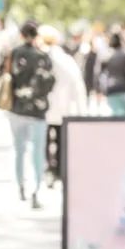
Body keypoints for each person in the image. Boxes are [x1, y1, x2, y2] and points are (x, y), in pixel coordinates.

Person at [0, 20, 56, 209]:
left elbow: (4, 76)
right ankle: (35, 190)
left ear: (22, 34)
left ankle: (20, 186)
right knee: (37, 151)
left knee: (19, 149)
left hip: (16, 108)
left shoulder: (14, 53)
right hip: (37, 110)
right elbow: (50, 82)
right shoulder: (42, 56)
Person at [38, 25, 87, 187]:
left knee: (44, 140)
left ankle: (48, 169)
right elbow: (77, 85)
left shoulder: (40, 57)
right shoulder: (65, 59)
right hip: (62, 107)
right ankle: (58, 169)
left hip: (44, 108)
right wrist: (81, 109)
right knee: (60, 140)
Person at [100, 33, 125, 116]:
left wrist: (100, 89)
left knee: (116, 114)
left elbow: (100, 74)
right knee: (123, 114)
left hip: (112, 88)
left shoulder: (106, 56)